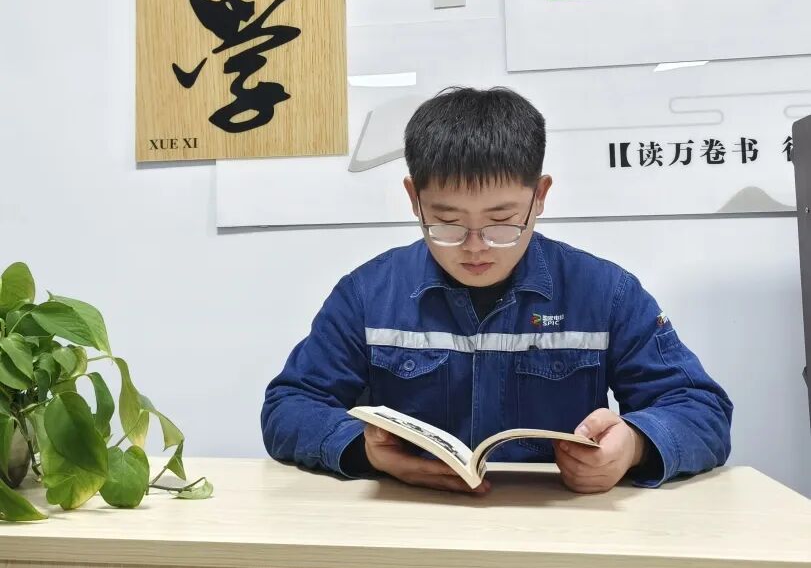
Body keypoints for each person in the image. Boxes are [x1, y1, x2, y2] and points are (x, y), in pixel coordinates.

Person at [261, 86, 733, 495]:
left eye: (502, 222)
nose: (475, 246)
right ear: (413, 198)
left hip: (557, 525)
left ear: (540, 196)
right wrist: (364, 451)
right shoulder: (368, 294)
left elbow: (701, 409)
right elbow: (290, 405)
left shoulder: (605, 292)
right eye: (446, 222)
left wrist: (634, 445)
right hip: (413, 521)